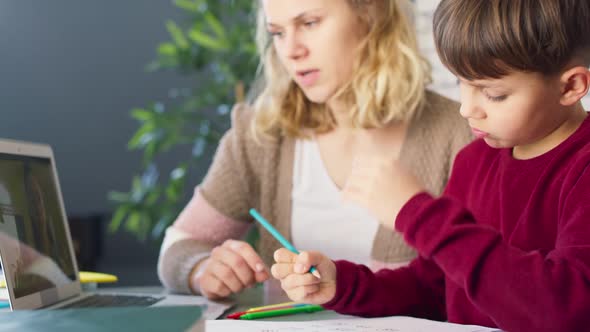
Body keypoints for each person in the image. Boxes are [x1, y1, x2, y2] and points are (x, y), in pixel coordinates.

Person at [271, 0, 590, 331]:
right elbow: (437, 287)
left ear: (570, 86)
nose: (467, 109)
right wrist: (342, 285)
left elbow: (563, 309)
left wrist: (418, 214)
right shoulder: (473, 161)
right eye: (459, 83)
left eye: (493, 94)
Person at [158, 0, 472, 300]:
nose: (291, 51)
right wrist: (202, 271)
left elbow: (483, 281)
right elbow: (180, 245)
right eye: (277, 33)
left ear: (371, 13)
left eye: (309, 23)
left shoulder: (459, 134)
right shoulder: (262, 134)